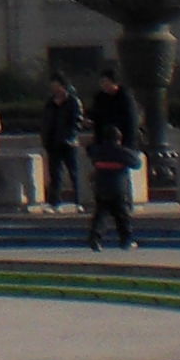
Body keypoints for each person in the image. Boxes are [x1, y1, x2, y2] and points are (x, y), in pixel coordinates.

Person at [86, 122, 139, 251]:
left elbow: (90, 152)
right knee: (122, 215)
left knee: (101, 215)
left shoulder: (98, 151)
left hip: (101, 186)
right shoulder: (122, 152)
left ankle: (95, 239)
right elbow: (137, 163)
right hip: (118, 187)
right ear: (119, 139)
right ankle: (126, 241)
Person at [40, 75, 83, 209]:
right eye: (52, 86)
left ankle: (79, 201)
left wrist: (69, 135)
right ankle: (55, 203)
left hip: (68, 143)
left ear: (63, 86)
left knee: (74, 173)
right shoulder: (50, 102)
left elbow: (78, 121)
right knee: (55, 174)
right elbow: (46, 121)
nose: (54, 89)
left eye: (56, 85)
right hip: (52, 143)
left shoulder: (73, 101)